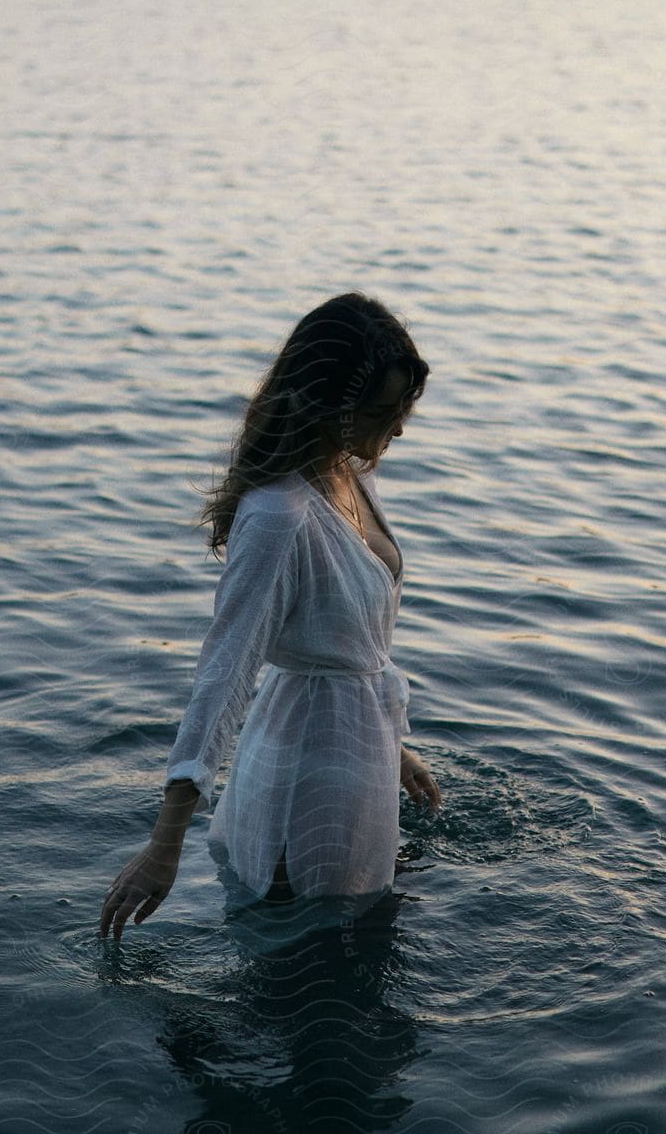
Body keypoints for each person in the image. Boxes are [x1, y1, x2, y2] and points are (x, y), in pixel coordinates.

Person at [100, 293, 442, 942]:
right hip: (303, 779)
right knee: (302, 971)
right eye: (385, 411)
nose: (398, 428)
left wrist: (392, 748)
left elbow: (346, 639)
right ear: (332, 408)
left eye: (404, 409)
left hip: (356, 755)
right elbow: (223, 677)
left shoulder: (352, 476)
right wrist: (164, 846)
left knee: (346, 954)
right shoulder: (278, 517)